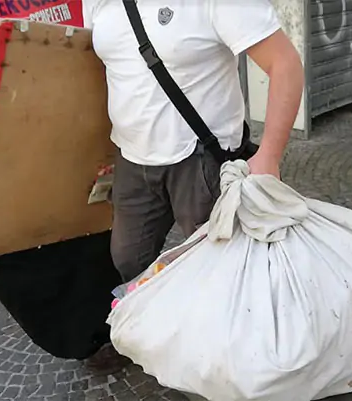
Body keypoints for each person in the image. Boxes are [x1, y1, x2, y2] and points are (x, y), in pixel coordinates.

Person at [82, 0, 304, 368]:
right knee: (129, 259)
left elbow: (285, 64)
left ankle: (223, 364)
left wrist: (269, 156)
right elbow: (108, 71)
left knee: (220, 275)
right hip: (132, 160)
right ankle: (158, 340)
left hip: (201, 161)